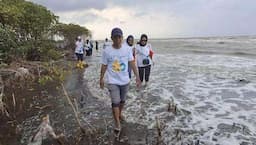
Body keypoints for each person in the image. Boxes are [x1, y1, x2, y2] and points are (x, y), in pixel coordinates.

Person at [100, 27, 141, 135]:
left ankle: (119, 113)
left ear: (122, 38)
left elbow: (132, 63)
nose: (117, 39)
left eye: (119, 37)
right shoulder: (107, 51)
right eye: (115, 37)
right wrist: (101, 79)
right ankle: (117, 122)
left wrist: (137, 77)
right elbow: (104, 65)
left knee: (122, 101)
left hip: (125, 81)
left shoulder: (127, 50)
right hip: (112, 81)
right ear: (111, 38)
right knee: (115, 102)